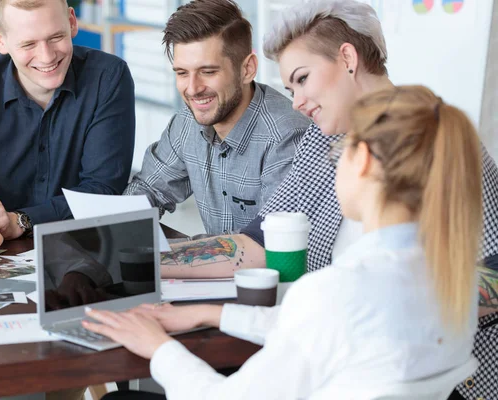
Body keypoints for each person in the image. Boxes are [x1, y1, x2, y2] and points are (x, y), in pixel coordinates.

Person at [156, 1, 498, 398]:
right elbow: (261, 242)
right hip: (344, 361)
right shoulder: (322, 140)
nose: (297, 102)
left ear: (348, 59)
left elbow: (492, 271)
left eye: (302, 79)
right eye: (289, 88)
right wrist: (154, 261)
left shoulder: (435, 138)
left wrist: (362, 314)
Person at [84, 85, 483, 399]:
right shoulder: (455, 281)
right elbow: (326, 331)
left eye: (338, 152)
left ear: (361, 161)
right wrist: (211, 314)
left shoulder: (337, 290)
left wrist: (158, 348)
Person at [0, 0, 135, 254]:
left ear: (72, 22)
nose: (47, 57)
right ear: (0, 40)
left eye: (56, 37)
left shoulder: (108, 77)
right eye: (28, 44)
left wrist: (21, 220)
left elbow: (103, 191)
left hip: (86, 247)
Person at [123, 0, 310, 235]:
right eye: (182, 73)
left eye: (208, 72)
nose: (192, 89)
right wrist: (115, 232)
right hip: (218, 269)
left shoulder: (286, 137)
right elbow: (148, 189)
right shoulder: (186, 123)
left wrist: (180, 254)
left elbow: (271, 244)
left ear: (247, 69)